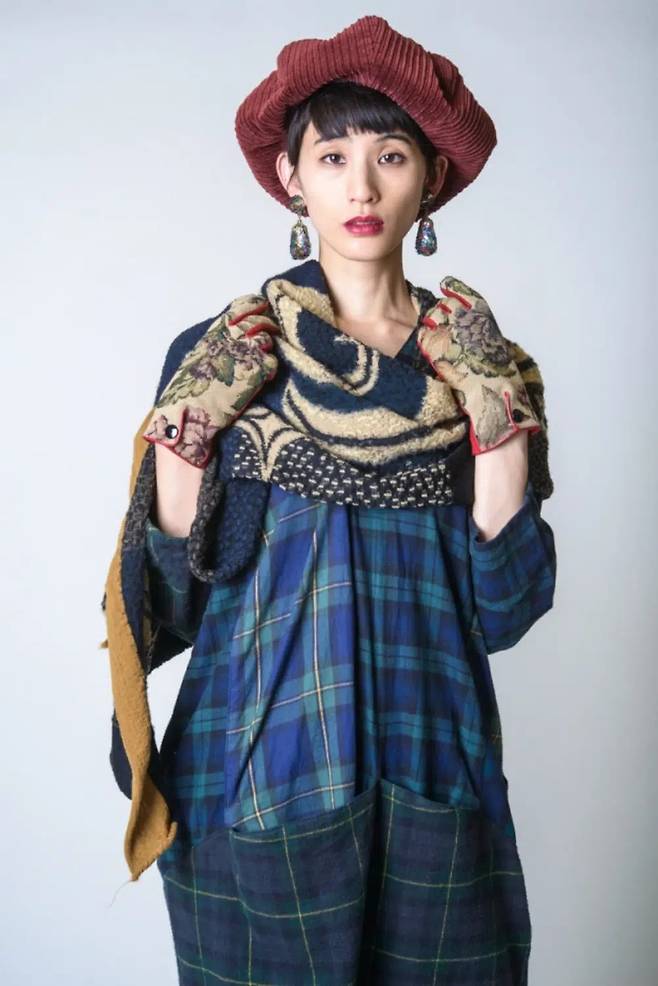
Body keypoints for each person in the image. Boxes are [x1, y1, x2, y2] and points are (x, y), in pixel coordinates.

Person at [101, 15, 557, 985]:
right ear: (291, 178)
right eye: (333, 155)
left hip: (433, 762)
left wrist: (496, 419)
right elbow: (170, 604)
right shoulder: (224, 354)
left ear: (429, 178)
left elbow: (508, 609)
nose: (361, 187)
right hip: (255, 768)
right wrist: (186, 437)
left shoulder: (482, 365)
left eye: (390, 155)